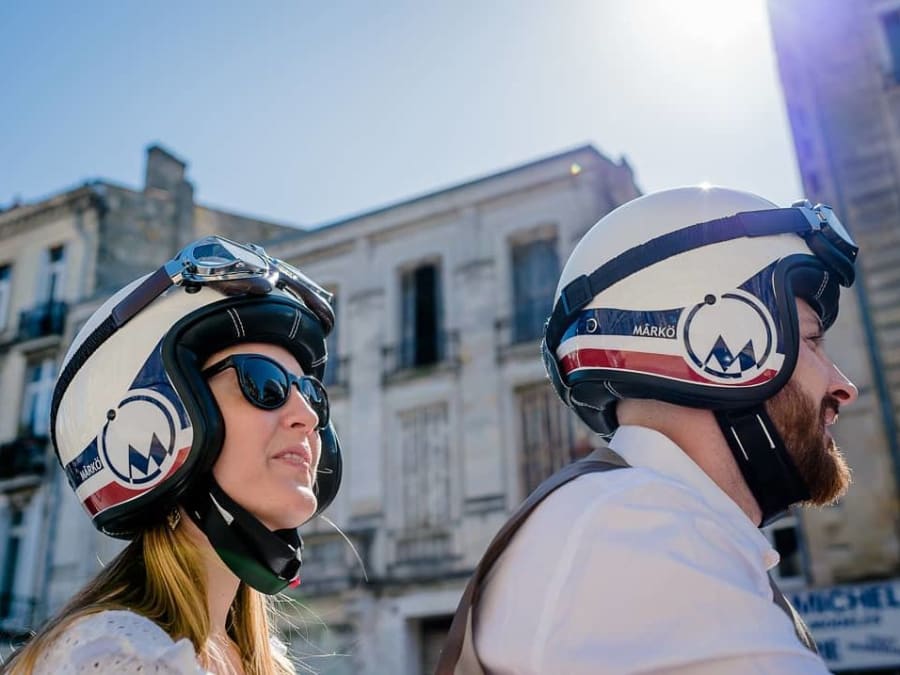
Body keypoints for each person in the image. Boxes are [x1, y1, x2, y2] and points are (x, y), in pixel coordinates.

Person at [447, 186, 861, 674]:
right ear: (714, 335)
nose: (844, 386)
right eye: (812, 339)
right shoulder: (633, 529)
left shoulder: (652, 522)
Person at [3, 236, 343, 674]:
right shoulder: (116, 656)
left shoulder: (264, 663)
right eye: (263, 384)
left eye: (312, 394)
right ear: (147, 422)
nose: (306, 416)